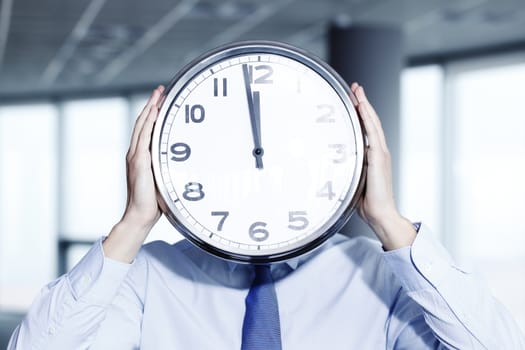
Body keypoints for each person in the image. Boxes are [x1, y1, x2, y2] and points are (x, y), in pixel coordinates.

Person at [8, 83, 525, 349]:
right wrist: (133, 225)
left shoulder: (380, 276)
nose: (267, 175)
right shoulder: (150, 273)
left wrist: (389, 221)